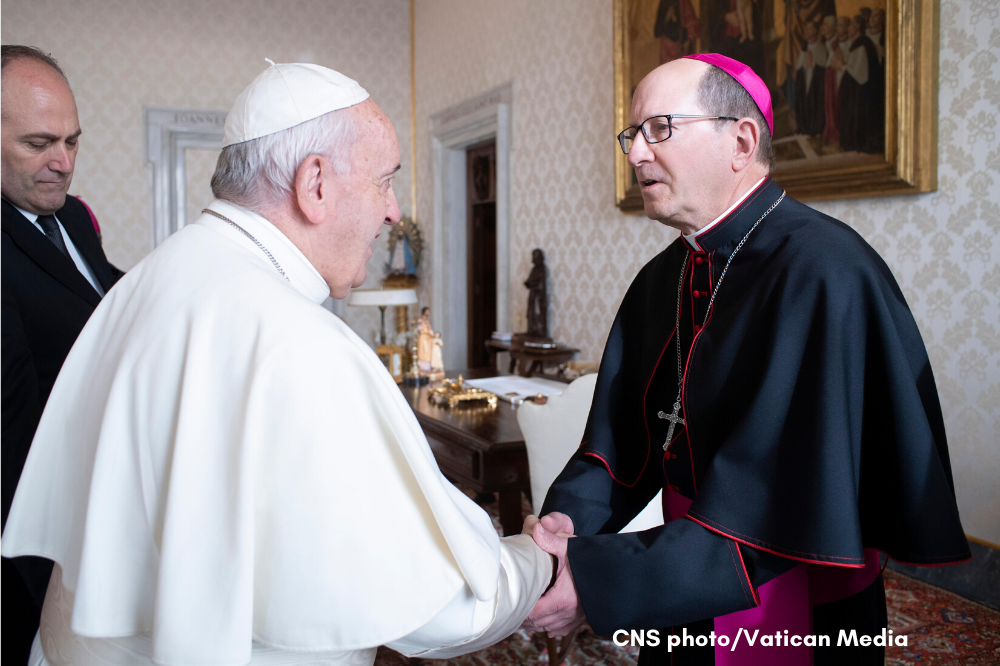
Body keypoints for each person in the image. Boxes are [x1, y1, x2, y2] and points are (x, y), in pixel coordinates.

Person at [2, 62, 554, 666]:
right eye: (384, 181)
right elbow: (441, 608)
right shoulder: (300, 344)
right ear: (314, 183)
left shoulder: (153, 277)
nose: (394, 211)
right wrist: (538, 562)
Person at [523, 54, 969, 665]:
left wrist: (603, 580)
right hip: (682, 587)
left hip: (799, 596)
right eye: (633, 135)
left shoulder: (825, 272)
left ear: (741, 140)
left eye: (660, 129)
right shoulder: (663, 278)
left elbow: (784, 502)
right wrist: (565, 527)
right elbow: (622, 443)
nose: (635, 154)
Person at [1, 45, 124, 666]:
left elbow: (104, 290)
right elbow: (11, 430)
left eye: (73, 142)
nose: (64, 163)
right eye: (39, 143)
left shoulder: (73, 217)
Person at [794, 21, 828, 136]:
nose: (807, 31)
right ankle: (804, 127)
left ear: (815, 31)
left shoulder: (820, 47)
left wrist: (812, 62)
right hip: (805, 80)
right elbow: (799, 66)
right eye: (806, 29)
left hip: (815, 82)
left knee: (815, 102)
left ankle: (815, 128)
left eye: (810, 28)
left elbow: (822, 65)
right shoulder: (804, 48)